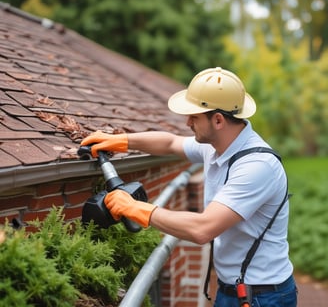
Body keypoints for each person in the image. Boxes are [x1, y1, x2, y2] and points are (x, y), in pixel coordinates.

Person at [80, 67, 297, 307]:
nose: (187, 122)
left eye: (194, 116)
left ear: (218, 120)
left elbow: (203, 229)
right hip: (234, 290)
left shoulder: (257, 166)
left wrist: (136, 209)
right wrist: (120, 141)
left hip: (265, 297)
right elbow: (171, 142)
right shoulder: (217, 144)